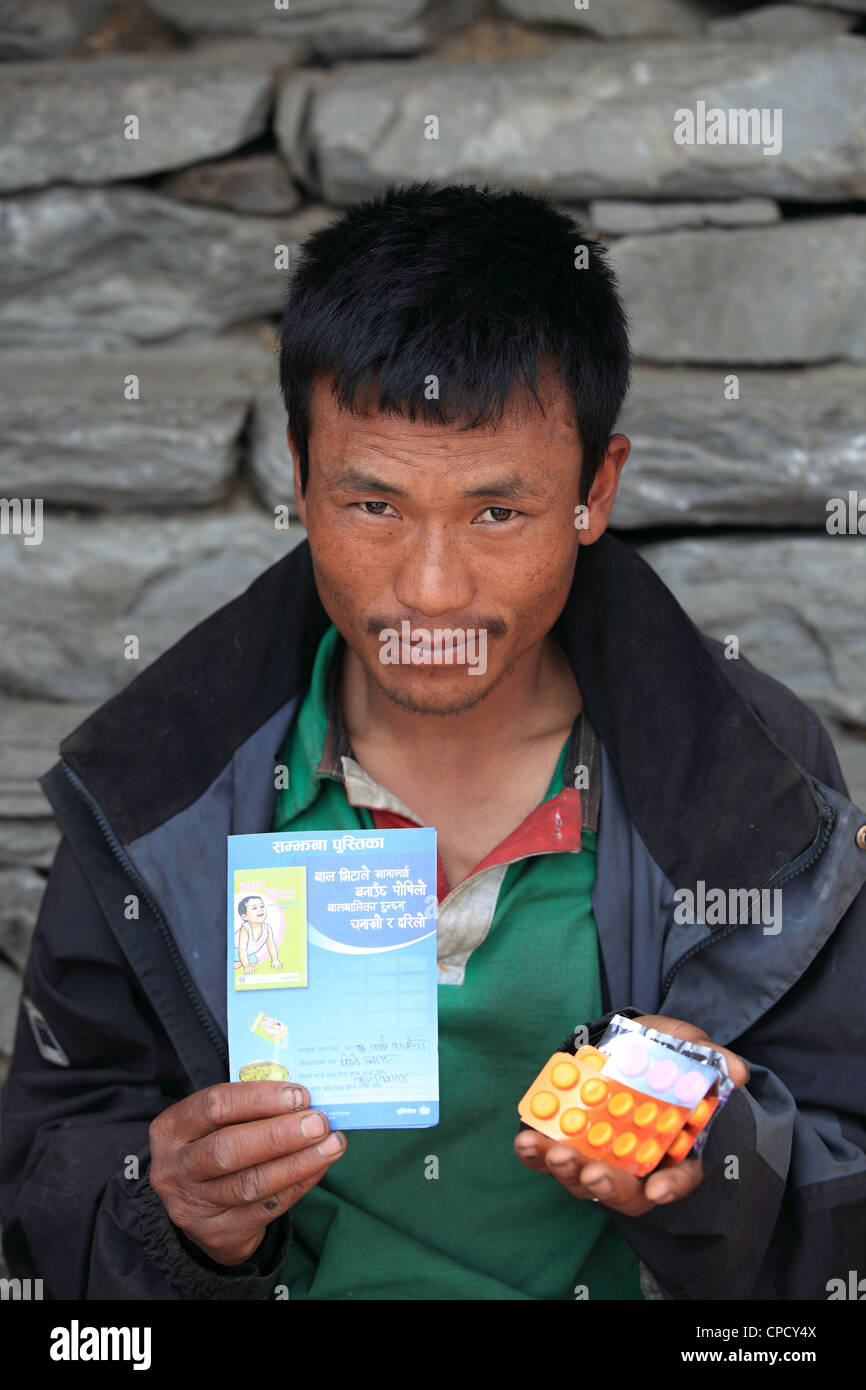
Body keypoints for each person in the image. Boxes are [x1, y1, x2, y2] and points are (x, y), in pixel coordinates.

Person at [1, 182, 864, 1301]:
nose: (430, 590)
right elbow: (47, 1173)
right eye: (373, 507)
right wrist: (166, 1210)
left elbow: (839, 1205)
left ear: (594, 491)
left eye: (496, 512)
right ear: (299, 484)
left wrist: (711, 1164)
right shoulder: (159, 783)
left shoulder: (752, 772)